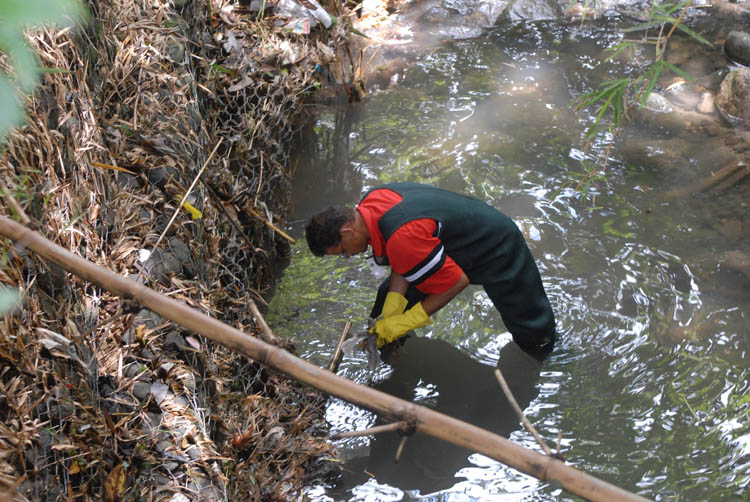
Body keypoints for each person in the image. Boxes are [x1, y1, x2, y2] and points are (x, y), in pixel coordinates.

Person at [305, 182, 556, 360]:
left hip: (496, 244)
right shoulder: (371, 201)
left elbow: (455, 283)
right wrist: (393, 307)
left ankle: (547, 361)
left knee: (534, 334)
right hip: (445, 239)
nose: (348, 256)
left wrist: (405, 321)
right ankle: (394, 357)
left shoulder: (402, 237)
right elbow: (401, 258)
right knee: (385, 298)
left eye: (343, 252)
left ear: (347, 232)